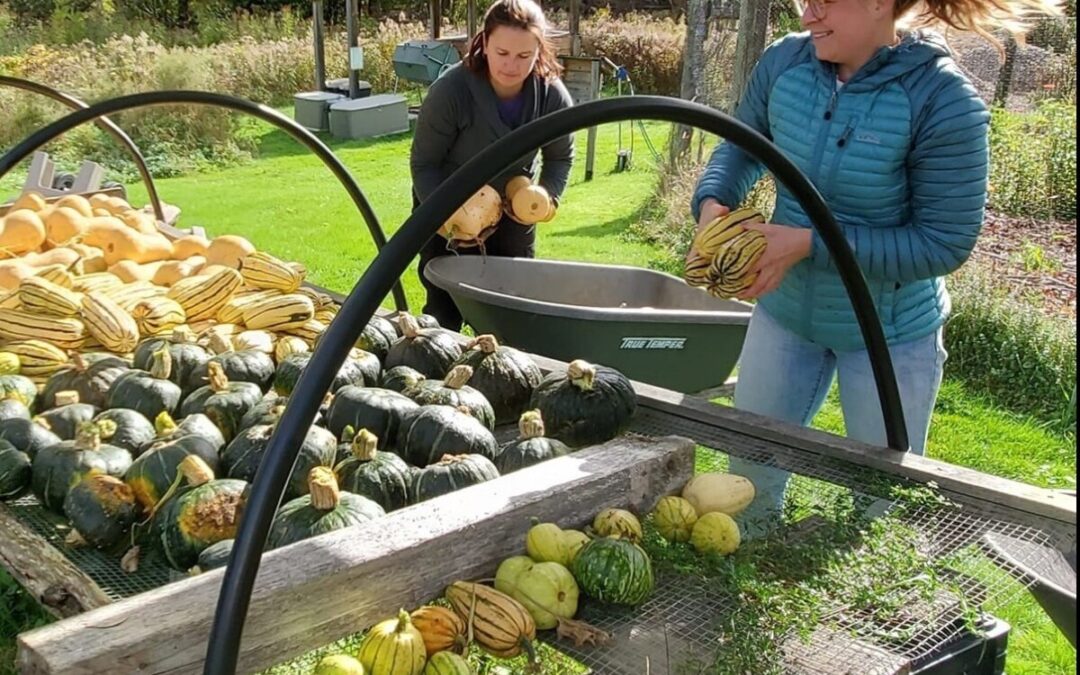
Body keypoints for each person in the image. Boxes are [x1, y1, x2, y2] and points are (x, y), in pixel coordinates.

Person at [689, 0, 1060, 535]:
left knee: (881, 510)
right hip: (785, 317)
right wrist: (713, 206)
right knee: (748, 487)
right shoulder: (783, 65)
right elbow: (743, 147)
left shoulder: (943, 100)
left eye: (822, 1)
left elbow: (942, 244)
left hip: (889, 338)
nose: (806, 15)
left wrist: (809, 244)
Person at [411, 0, 575, 332]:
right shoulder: (451, 91)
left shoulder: (551, 96)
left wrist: (546, 198)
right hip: (448, 205)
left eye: (523, 56)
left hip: (514, 211)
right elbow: (424, 164)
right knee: (445, 313)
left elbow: (560, 157)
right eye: (502, 53)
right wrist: (449, 215)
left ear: (538, 51)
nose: (511, 65)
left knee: (512, 310)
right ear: (484, 43)